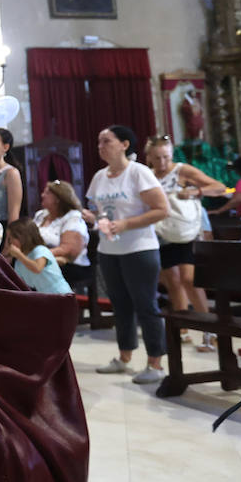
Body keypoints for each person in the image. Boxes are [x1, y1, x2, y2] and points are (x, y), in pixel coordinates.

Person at [83, 125, 169, 384]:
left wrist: (127, 224)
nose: (101, 146)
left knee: (146, 306)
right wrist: (95, 218)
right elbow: (103, 213)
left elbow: (161, 209)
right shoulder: (99, 177)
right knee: (120, 306)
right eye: (99, 142)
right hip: (109, 250)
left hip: (139, 249)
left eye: (107, 141)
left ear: (124, 144)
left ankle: (155, 362)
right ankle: (124, 357)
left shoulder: (138, 173)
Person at [143, 136, 227, 352]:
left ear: (171, 155)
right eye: (157, 158)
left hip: (186, 230)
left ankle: (211, 331)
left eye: (166, 157)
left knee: (190, 280)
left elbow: (220, 187)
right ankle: (183, 328)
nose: (162, 162)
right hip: (162, 232)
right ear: (149, 157)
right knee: (173, 280)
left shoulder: (182, 170)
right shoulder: (147, 175)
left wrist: (196, 191)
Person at [32, 180, 91, 288]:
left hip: (71, 265)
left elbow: (69, 250)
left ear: (58, 199)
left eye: (47, 193)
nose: (42, 195)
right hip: (42, 260)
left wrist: (40, 255)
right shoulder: (40, 215)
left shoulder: (73, 217)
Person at [4, 219, 72, 294]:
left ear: (23, 237)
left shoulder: (40, 250)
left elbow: (37, 268)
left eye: (11, 238)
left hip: (62, 295)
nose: (9, 242)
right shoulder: (19, 263)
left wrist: (19, 255)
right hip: (45, 298)